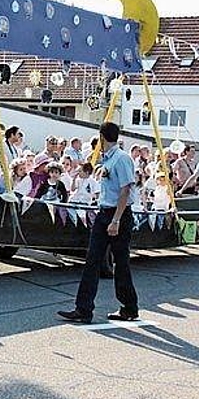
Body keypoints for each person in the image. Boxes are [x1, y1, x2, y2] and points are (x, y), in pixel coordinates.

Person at [58, 122, 139, 323]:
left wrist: (116, 220)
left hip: (118, 214)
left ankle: (129, 307)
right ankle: (83, 309)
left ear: (102, 137)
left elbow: (125, 190)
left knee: (121, 263)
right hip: (104, 213)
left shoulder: (121, 159)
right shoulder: (107, 159)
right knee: (92, 259)